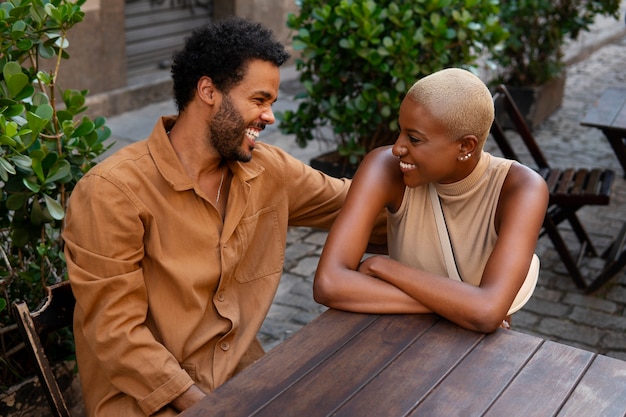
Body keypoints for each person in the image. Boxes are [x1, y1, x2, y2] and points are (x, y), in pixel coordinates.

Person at [63, 18, 384, 416]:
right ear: (208, 91)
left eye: (272, 103)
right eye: (259, 99)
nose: (270, 117)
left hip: (241, 380)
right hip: (147, 401)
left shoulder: (269, 171)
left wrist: (461, 197)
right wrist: (211, 407)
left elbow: (360, 206)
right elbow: (117, 334)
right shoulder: (111, 192)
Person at [314, 68, 549, 334]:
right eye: (401, 131)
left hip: (472, 355)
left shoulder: (519, 189)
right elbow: (329, 283)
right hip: (394, 338)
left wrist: (383, 266)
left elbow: (485, 312)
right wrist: (459, 306)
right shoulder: (385, 168)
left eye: (414, 139)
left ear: (466, 147)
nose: (397, 148)